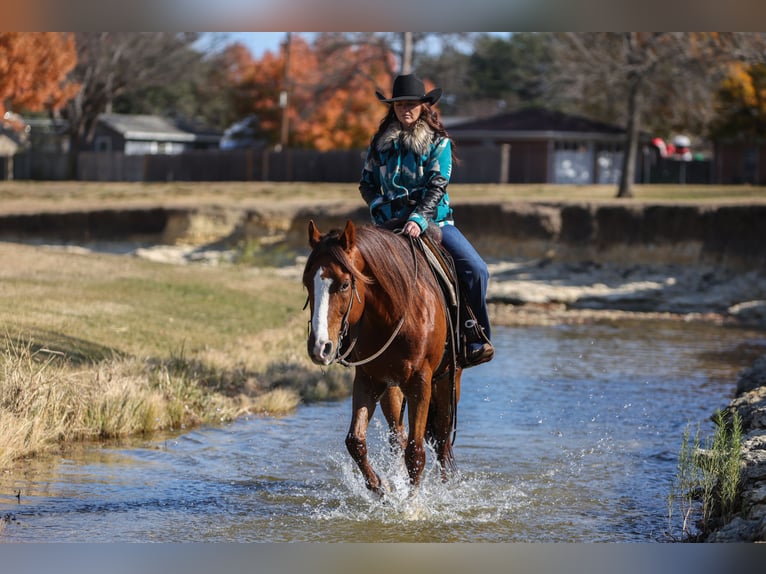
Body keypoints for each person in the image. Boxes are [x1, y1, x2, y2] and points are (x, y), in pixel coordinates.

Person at [358, 73, 494, 367]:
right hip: (388, 223)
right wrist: (381, 209)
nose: (405, 109)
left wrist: (419, 218)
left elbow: (437, 185)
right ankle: (351, 339)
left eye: (412, 104)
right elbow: (366, 185)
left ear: (423, 106)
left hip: (436, 223)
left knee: (476, 269)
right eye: (399, 105)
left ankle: (475, 335)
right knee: (350, 271)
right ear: (392, 108)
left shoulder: (439, 142)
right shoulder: (379, 144)